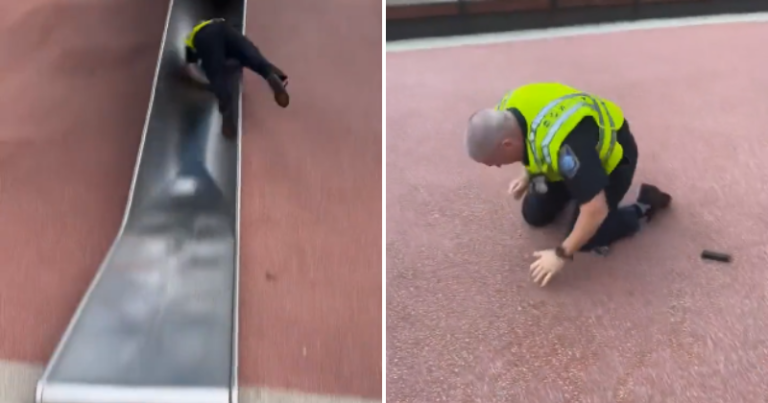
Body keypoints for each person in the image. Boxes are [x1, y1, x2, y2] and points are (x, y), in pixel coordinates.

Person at [464, 82, 672, 287]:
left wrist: (560, 254)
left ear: (506, 144)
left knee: (588, 236)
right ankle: (578, 185)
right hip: (569, 154)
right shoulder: (505, 111)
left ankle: (643, 206)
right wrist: (527, 175)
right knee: (534, 215)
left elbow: (595, 210)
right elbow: (526, 135)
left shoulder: (567, 147)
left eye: (493, 161)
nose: (498, 166)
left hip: (614, 158)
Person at [183, 18, 289, 139]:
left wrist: (205, 83)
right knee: (251, 55)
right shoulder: (216, 21)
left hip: (205, 39)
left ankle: (227, 114)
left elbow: (190, 67)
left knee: (216, 74)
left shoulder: (190, 38)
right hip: (226, 29)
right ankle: (271, 75)